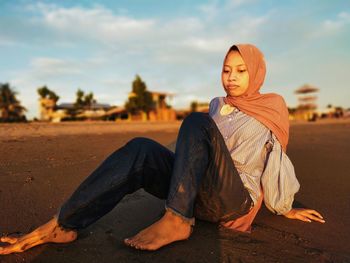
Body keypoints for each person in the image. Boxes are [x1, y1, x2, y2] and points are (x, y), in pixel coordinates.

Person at [0, 43, 325, 255]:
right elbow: (198, 155)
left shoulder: (272, 105)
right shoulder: (217, 104)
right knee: (142, 149)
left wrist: (285, 206)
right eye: (226, 70)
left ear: (255, 73)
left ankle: (176, 220)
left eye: (240, 70)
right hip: (199, 195)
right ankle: (63, 224)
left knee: (195, 123)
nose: (231, 78)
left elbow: (275, 159)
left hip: (234, 200)